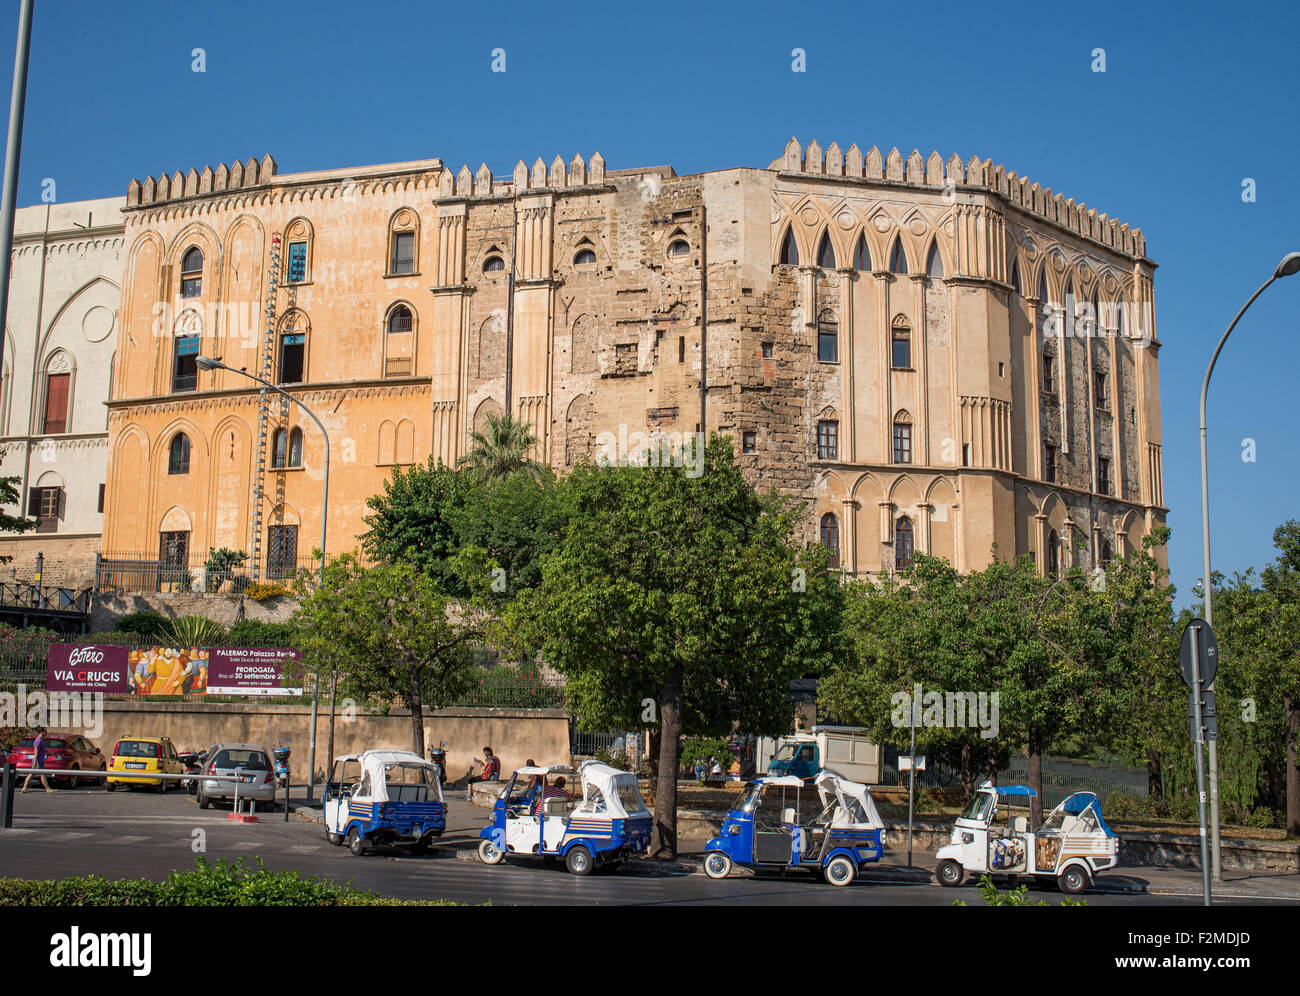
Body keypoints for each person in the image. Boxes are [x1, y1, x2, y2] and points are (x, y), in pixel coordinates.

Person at [21, 729, 54, 793]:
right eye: (45, 731)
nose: (46, 732)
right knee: (42, 774)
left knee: (32, 774)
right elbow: (36, 752)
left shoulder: (41, 740)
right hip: (38, 761)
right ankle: (47, 788)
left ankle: (24, 787)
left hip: (39, 760)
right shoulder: (38, 740)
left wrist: (49, 753)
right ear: (41, 732)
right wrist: (34, 763)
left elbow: (42, 749)